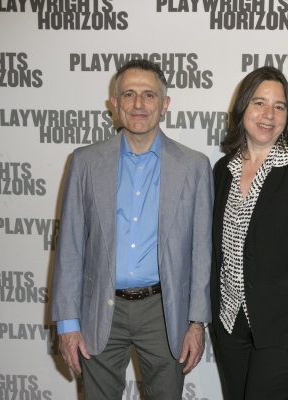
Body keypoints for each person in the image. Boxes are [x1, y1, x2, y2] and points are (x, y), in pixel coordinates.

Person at [51, 59, 213, 400]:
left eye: (149, 95)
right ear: (115, 103)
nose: (139, 104)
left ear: (165, 104)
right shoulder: (85, 162)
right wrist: (67, 324)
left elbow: (202, 252)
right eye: (129, 94)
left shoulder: (194, 166)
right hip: (98, 309)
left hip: (165, 311)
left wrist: (197, 323)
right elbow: (70, 248)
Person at [211, 66, 288, 399]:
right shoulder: (223, 170)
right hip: (231, 326)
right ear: (242, 110)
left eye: (279, 106)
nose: (268, 114)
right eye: (259, 103)